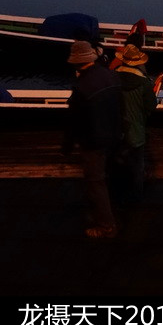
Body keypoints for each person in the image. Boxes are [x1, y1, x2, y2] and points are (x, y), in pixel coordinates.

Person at [64, 40, 121, 239]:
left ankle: (106, 226)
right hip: (114, 136)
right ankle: (108, 213)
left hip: (94, 141)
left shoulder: (82, 87)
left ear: (76, 63)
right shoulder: (112, 75)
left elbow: (74, 121)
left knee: (95, 182)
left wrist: (67, 146)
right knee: (108, 177)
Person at [113, 43, 157, 202]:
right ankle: (137, 197)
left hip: (115, 130)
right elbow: (152, 105)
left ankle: (117, 196)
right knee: (138, 165)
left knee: (117, 164)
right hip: (136, 130)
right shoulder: (144, 82)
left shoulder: (112, 78)